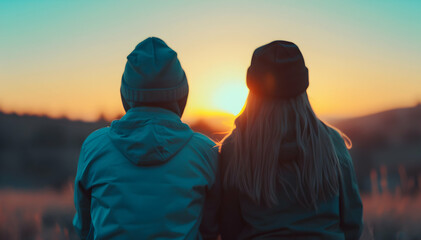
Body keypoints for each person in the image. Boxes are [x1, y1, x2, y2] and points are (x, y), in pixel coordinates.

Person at [73, 37, 219, 240]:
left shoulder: (94, 147)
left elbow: (84, 227)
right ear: (182, 95)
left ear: (126, 95)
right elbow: (212, 229)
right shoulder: (206, 152)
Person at [218, 41, 363, 240]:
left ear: (252, 92)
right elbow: (352, 222)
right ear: (303, 89)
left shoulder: (235, 149)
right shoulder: (332, 143)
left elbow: (229, 230)